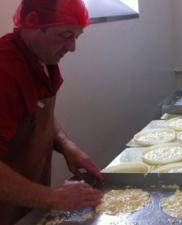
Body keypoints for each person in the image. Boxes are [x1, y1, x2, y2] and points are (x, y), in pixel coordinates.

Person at [0, 0, 104, 224]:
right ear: (32, 23)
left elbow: (35, 113)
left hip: (26, 201)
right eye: (65, 35)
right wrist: (54, 197)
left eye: (76, 37)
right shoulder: (5, 73)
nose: (72, 47)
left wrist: (67, 145)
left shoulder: (41, 61)